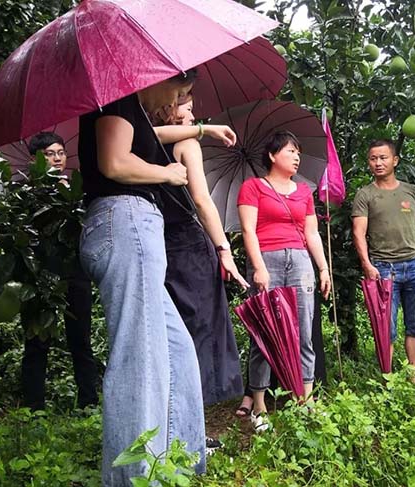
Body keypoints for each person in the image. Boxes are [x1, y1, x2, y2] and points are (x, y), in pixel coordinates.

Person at [77, 70, 234, 484]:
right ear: (156, 77)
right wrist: (167, 174)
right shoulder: (116, 94)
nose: (176, 102)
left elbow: (153, 136)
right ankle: (133, 478)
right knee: (140, 359)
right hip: (125, 219)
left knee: (177, 352)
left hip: (130, 225)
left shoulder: (131, 109)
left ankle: (179, 462)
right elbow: (114, 161)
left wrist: (203, 129)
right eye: (179, 92)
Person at [156, 95, 248, 452]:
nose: (193, 114)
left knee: (167, 335)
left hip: (154, 241)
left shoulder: (140, 140)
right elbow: (202, 200)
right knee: (198, 334)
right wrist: (224, 250)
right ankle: (190, 432)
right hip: (187, 246)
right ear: (169, 106)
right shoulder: (187, 143)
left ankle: (173, 427)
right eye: (186, 105)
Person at [237, 131, 331, 432]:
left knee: (304, 332)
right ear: (272, 155)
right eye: (290, 151)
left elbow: (312, 234)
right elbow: (248, 231)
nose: (296, 157)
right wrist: (258, 267)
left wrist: (323, 268)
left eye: (298, 152)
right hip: (267, 259)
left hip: (300, 262)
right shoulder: (253, 187)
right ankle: (260, 405)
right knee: (264, 332)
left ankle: (306, 400)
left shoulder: (304, 191)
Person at [351, 139, 415, 381]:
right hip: (383, 269)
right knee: (386, 328)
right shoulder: (365, 194)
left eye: (383, 158)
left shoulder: (411, 191)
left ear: (395, 160)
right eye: (373, 158)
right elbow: (358, 232)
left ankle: (412, 377)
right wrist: (367, 264)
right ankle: (388, 380)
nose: (378, 163)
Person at [22, 132, 99, 411]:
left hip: (75, 273)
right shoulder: (28, 194)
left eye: (60, 153)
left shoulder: (75, 190)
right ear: (35, 160)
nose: (57, 159)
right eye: (49, 154)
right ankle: (34, 408)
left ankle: (89, 402)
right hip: (41, 275)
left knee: (81, 340)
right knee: (36, 343)